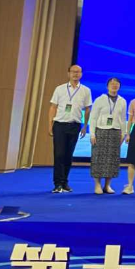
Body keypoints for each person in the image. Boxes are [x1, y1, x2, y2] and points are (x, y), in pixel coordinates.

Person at [47, 64, 92, 193]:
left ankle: (65, 182)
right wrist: (50, 124)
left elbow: (88, 109)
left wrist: (85, 126)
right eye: (73, 71)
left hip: (75, 125)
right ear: (68, 73)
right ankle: (57, 183)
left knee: (68, 155)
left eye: (78, 72)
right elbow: (53, 107)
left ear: (81, 74)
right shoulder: (60, 89)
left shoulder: (85, 90)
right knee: (59, 154)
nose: (76, 74)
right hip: (59, 124)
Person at [88, 77, 126, 194]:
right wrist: (92, 134)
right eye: (112, 84)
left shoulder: (122, 101)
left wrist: (123, 133)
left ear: (119, 86)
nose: (114, 85)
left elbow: (122, 118)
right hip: (101, 131)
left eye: (117, 84)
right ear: (107, 86)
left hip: (115, 132)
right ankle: (97, 185)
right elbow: (93, 118)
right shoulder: (100, 100)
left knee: (112, 159)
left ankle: (107, 185)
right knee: (98, 158)